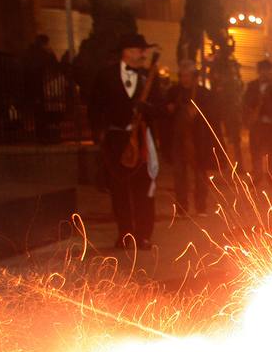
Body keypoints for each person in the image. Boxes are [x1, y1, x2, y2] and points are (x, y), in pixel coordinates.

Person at [88, 32, 161, 250]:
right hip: (116, 138)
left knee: (144, 189)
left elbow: (160, 107)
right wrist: (99, 133)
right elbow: (95, 107)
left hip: (141, 137)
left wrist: (148, 109)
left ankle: (143, 235)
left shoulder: (149, 77)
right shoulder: (105, 76)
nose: (144, 54)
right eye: (140, 50)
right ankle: (125, 233)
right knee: (119, 190)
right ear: (127, 52)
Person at [165, 59, 217, 216]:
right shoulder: (173, 92)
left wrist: (199, 113)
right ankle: (182, 207)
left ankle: (201, 206)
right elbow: (165, 115)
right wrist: (170, 109)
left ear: (194, 77)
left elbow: (213, 115)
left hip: (198, 140)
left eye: (188, 76)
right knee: (179, 174)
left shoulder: (203, 94)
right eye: (182, 76)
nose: (185, 79)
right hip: (179, 139)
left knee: (200, 174)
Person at [243, 58, 272, 185]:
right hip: (257, 124)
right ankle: (257, 175)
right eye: (262, 70)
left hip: (271, 125)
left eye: (267, 70)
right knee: (255, 151)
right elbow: (246, 103)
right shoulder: (252, 86)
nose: (264, 73)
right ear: (259, 72)